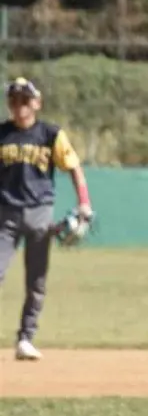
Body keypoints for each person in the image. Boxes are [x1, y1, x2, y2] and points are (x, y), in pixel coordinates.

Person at [0, 76, 94, 360]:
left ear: (37, 103)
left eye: (25, 100)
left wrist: (84, 204)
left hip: (40, 213)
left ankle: (25, 338)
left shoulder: (50, 134)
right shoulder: (1, 133)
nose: (19, 106)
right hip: (5, 214)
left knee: (36, 281)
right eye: (14, 100)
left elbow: (74, 168)